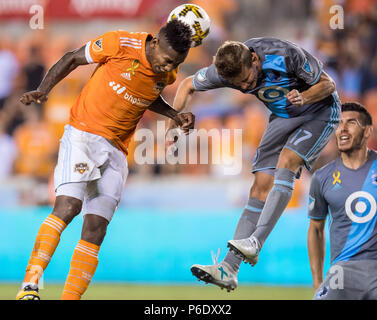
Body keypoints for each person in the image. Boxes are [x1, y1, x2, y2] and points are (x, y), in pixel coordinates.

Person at [16, 19, 195, 300]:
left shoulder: (168, 74)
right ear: (156, 42)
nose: (169, 68)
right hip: (84, 135)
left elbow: (147, 93)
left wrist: (174, 114)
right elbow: (71, 58)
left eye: (176, 63)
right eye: (167, 60)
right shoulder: (119, 43)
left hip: (117, 151)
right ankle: (30, 286)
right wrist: (44, 89)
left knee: (96, 228)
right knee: (68, 206)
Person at [171, 38, 341, 291]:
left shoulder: (285, 55)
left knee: (287, 162)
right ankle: (228, 269)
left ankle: (256, 242)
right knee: (259, 185)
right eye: (237, 84)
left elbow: (328, 84)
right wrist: (177, 118)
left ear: (253, 58)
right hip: (283, 117)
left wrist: (304, 97)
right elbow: (186, 85)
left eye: (246, 80)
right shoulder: (226, 70)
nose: (243, 85)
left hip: (319, 112)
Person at [308, 102, 377, 300]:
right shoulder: (322, 177)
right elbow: (315, 229)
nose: (342, 129)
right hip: (340, 271)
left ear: (367, 132)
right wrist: (317, 281)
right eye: (338, 123)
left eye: (351, 123)